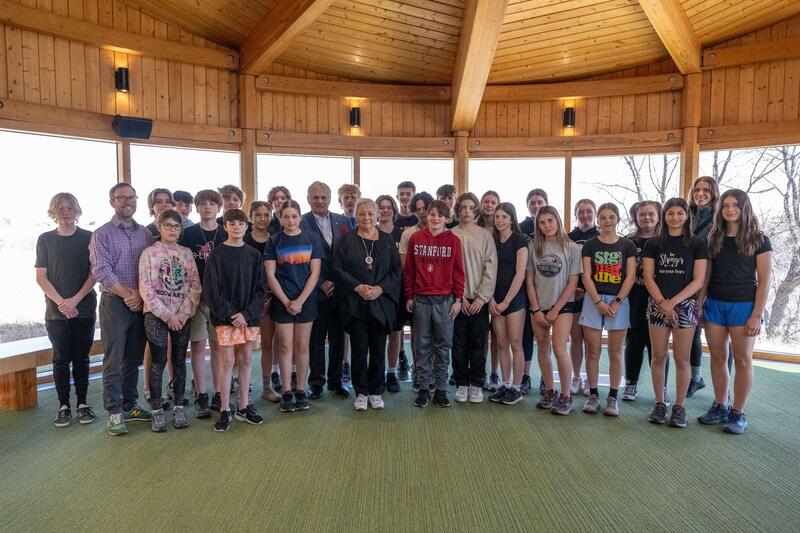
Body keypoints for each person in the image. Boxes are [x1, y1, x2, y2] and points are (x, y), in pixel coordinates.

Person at [697, 189, 771, 435]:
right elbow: (705, 275)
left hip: (744, 307)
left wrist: (756, 314)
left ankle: (738, 413)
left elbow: (764, 280)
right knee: (718, 358)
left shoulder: (759, 239)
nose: (729, 209)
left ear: (744, 208)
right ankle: (720, 405)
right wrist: (699, 303)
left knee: (742, 360)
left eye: (735, 205)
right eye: (726, 205)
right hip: (714, 304)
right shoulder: (713, 237)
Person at [89, 183, 153, 435]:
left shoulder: (145, 234)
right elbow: (101, 270)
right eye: (121, 198)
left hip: (140, 301)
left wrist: (140, 296)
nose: (127, 201)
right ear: (112, 202)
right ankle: (114, 412)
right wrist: (128, 295)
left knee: (134, 358)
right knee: (113, 359)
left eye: (131, 197)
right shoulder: (102, 234)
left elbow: (149, 267)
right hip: (115, 302)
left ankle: (130, 404)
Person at [642, 198, 708, 428]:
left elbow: (699, 279)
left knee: (682, 359)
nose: (675, 217)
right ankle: (660, 403)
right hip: (658, 304)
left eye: (680, 213)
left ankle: (679, 407)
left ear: (686, 216)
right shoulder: (654, 244)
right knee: (658, 356)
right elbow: (649, 277)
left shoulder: (697, 244)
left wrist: (674, 303)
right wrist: (662, 302)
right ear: (664, 216)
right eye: (670, 213)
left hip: (685, 306)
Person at [332, 198, 401, 411]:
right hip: (356, 303)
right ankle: (361, 392)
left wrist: (380, 289)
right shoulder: (345, 240)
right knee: (360, 349)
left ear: (377, 215)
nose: (367, 218)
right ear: (356, 216)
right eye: (362, 214)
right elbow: (337, 269)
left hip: (380, 303)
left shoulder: (388, 240)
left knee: (378, 349)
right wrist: (357, 287)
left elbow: (396, 271)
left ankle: (375, 391)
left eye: (371, 213)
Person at [35, 193, 97, 427]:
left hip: (85, 308)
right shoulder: (45, 239)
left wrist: (75, 300)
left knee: (81, 358)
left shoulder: (89, 238)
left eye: (70, 207)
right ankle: (64, 406)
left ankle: (82, 404)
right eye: (60, 208)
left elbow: (94, 274)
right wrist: (62, 302)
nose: (66, 211)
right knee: (61, 358)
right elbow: (41, 277)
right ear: (54, 212)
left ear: (77, 210)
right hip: (56, 312)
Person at [204, 209, 267, 432]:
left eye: (241, 223)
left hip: (248, 317)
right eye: (232, 223)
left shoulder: (254, 255)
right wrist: (232, 315)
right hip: (225, 317)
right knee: (227, 361)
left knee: (247, 357)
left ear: (247, 226)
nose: (237, 227)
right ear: (225, 226)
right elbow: (212, 291)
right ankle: (224, 408)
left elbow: (261, 290)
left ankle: (243, 405)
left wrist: (246, 314)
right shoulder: (217, 255)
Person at [138, 209, 201, 432]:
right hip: (155, 314)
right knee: (158, 359)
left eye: (176, 226)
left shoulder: (186, 253)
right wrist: (167, 315)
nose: (172, 230)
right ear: (159, 227)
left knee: (179, 359)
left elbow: (194, 285)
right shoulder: (149, 253)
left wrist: (182, 313)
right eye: (168, 226)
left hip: (182, 314)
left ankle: (178, 407)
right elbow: (146, 288)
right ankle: (156, 410)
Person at [404, 200, 464, 408]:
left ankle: (440, 388)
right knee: (421, 346)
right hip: (421, 299)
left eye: (440, 214)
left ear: (447, 218)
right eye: (432, 214)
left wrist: (458, 299)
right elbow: (409, 270)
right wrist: (409, 296)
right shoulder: (416, 238)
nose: (435, 217)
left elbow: (458, 271)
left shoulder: (453, 241)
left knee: (443, 346)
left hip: (445, 300)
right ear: (426, 216)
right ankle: (423, 387)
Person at [265, 200, 323, 413]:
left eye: (294, 216)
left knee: (302, 346)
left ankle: (301, 389)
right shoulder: (274, 242)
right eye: (286, 216)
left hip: (305, 301)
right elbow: (270, 275)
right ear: (280, 218)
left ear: (300, 217)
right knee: (285, 346)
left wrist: (299, 301)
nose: (290, 220)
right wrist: (286, 301)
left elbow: (315, 273)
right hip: (283, 301)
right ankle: (287, 391)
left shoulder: (312, 239)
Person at [579, 202, 636, 417]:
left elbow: (629, 277)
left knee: (615, 352)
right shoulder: (590, 245)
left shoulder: (627, 245)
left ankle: (613, 397)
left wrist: (616, 302)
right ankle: (593, 394)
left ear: (618, 219)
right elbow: (586, 275)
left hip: (618, 301)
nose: (607, 221)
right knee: (592, 351)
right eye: (602, 218)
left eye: (611, 217)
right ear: (598, 221)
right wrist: (597, 302)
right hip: (594, 300)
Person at [526, 206, 582, 415]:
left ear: (558, 221)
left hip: (563, 306)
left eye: (550, 221)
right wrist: (537, 309)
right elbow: (529, 282)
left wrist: (555, 310)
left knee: (559, 348)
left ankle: (565, 395)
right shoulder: (533, 247)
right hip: (539, 306)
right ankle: (550, 391)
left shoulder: (572, 248)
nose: (547, 225)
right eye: (542, 222)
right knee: (542, 347)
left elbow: (572, 283)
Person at [178, 189, 227, 417]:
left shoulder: (226, 233)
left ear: (219, 208)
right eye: (203, 204)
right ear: (196, 208)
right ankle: (201, 394)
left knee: (218, 346)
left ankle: (219, 392)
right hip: (195, 299)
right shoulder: (188, 235)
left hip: (219, 300)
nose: (207, 207)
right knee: (197, 345)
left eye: (212, 203)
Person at [300, 182, 350, 399]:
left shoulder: (344, 221)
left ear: (330, 199)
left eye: (323, 197)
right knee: (316, 339)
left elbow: (350, 255)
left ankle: (337, 381)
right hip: (314, 290)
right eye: (315, 197)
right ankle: (317, 382)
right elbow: (300, 258)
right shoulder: (300, 221)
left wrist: (339, 282)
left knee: (339, 338)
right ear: (308, 198)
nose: (320, 201)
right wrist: (320, 282)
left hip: (340, 290)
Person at [622, 201, 670, 404]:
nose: (647, 218)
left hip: (659, 299)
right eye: (642, 215)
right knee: (633, 341)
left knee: (658, 347)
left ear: (659, 216)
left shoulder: (666, 241)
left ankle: (662, 388)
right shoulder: (627, 242)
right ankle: (631, 383)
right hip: (634, 298)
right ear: (636, 217)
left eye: (651, 214)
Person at [451, 193, 497, 403]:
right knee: (458, 344)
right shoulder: (450, 234)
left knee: (478, 344)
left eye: (471, 207)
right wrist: (459, 298)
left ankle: (477, 384)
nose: (467, 211)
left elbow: (490, 269)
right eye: (463, 207)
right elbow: (448, 270)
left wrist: (480, 299)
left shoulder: (485, 236)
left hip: (479, 301)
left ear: (476, 210)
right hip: (458, 301)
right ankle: (461, 383)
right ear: (458, 209)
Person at [488, 203, 529, 406]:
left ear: (511, 219)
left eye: (504, 216)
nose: (500, 220)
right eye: (497, 217)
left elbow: (520, 273)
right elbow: (486, 270)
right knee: (501, 342)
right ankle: (505, 384)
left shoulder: (520, 241)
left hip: (514, 299)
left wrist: (506, 301)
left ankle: (516, 387)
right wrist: (491, 299)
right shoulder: (492, 240)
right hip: (494, 298)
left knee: (515, 343)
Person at [244, 201, 281, 403]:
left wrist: (269, 297)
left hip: (272, 298)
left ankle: (267, 387)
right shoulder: (243, 240)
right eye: (258, 215)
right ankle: (245, 387)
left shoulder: (275, 240)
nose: (262, 219)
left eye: (266, 215)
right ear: (251, 217)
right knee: (245, 347)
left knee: (268, 344)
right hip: (248, 301)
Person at [687, 176, 719, 396]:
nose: (700, 193)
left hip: (715, 280)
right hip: (686, 278)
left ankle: (723, 393)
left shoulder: (720, 218)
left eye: (706, 190)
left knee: (718, 339)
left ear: (714, 192)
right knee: (692, 330)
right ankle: (695, 377)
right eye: (697, 189)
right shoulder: (685, 214)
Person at [142, 188, 175, 406]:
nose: (163, 205)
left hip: (175, 297)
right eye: (158, 202)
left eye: (167, 201)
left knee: (173, 344)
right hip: (152, 299)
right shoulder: (145, 233)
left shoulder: (177, 229)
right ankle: (149, 387)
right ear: (151, 206)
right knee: (153, 346)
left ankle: (173, 383)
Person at [399, 191, 433, 390]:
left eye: (425, 209)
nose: (421, 213)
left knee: (436, 337)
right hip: (417, 293)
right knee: (418, 335)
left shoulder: (445, 232)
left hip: (439, 295)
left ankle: (434, 373)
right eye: (418, 209)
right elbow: (406, 268)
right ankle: (419, 371)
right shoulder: (408, 234)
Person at [568, 199, 600, 396]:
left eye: (589, 211)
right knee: (575, 338)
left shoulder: (601, 237)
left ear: (595, 213)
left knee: (592, 341)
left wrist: (591, 291)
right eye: (581, 211)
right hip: (574, 293)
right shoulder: (569, 237)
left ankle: (591, 377)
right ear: (575, 213)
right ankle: (576, 376)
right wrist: (573, 289)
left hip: (594, 294)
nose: (585, 215)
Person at [518, 188, 548, 395]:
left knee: (549, 339)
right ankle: (525, 376)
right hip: (525, 287)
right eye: (532, 203)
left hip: (548, 288)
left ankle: (547, 378)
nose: (536, 206)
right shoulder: (521, 228)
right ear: (527, 205)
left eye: (540, 202)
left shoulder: (552, 226)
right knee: (526, 334)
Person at [377, 194, 404, 392]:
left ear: (394, 211)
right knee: (376, 335)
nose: (385, 210)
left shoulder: (401, 234)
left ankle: (391, 372)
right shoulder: (369, 232)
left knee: (395, 333)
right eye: (381, 207)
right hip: (376, 292)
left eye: (388, 207)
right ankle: (376, 373)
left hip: (396, 290)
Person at [477, 190, 501, 391]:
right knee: (482, 334)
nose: (489, 205)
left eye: (493, 202)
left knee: (498, 334)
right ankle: (480, 371)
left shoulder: (503, 227)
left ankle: (495, 373)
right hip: (480, 287)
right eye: (486, 201)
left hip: (501, 286)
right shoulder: (475, 227)